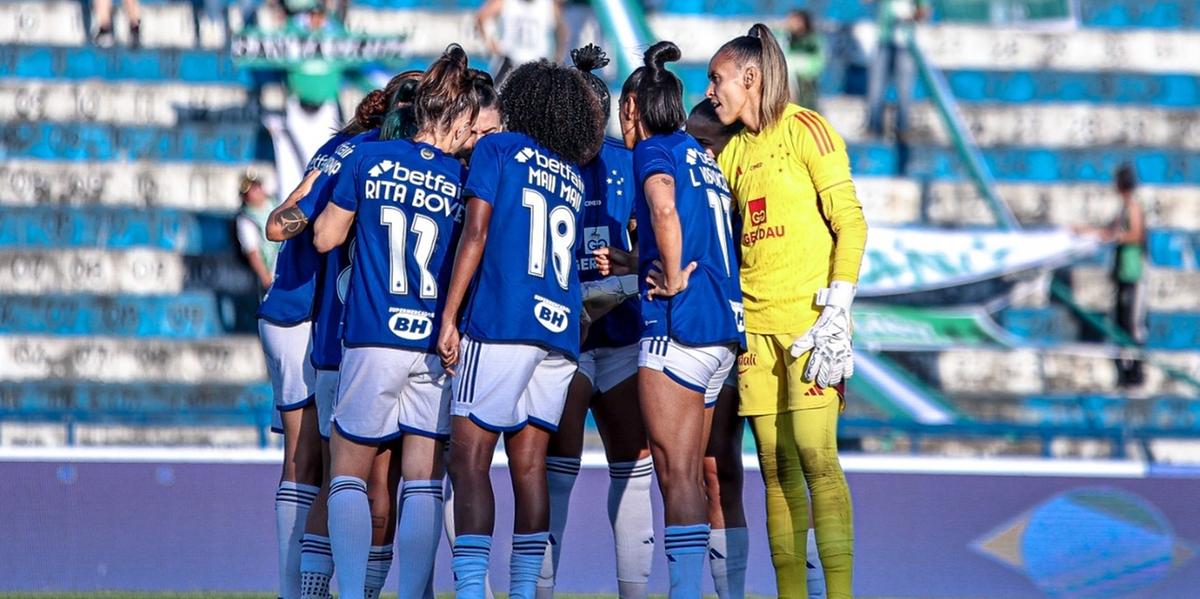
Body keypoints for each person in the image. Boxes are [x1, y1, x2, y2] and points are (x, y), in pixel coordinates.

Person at [311, 45, 482, 599]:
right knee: (423, 483)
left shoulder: (367, 159)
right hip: (434, 343)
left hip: (372, 335)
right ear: (452, 118)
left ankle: (357, 591)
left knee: (347, 473)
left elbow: (324, 237)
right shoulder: (462, 179)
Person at [707, 23, 867, 599]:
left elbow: (851, 221)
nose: (711, 92)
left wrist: (838, 308)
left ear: (751, 78)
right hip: (756, 332)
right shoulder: (730, 153)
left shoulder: (809, 130)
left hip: (809, 328)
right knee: (774, 469)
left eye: (718, 79)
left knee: (817, 455)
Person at [436, 59, 604, 599]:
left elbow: (477, 233)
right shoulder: (572, 174)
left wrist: (449, 314)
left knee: (468, 458)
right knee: (529, 468)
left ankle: (468, 591)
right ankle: (526, 592)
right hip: (558, 335)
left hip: (503, 320)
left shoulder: (497, 149)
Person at [265, 71, 430, 599]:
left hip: (302, 314)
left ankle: (311, 589)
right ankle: (309, 591)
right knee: (341, 466)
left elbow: (284, 217)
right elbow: (314, 231)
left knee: (323, 463)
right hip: (326, 322)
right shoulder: (372, 155)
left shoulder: (342, 147)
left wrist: (287, 215)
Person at [617, 41, 745, 599]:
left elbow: (663, 206)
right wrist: (636, 261)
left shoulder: (653, 150)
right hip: (722, 330)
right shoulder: (701, 155)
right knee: (694, 473)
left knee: (674, 474)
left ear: (632, 109)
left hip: (679, 325)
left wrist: (668, 275)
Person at [536, 44, 652, 599]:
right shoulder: (536, 165)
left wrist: (610, 291)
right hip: (562, 343)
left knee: (633, 465)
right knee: (556, 469)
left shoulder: (628, 161)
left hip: (621, 335)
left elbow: (655, 257)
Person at [865, 0, 929, 140]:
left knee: (905, 90)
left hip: (905, 43)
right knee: (875, 89)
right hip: (884, 40)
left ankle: (903, 129)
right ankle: (874, 130)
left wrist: (909, 16)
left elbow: (924, 12)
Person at [1108, 164, 1147, 388]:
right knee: (1121, 324)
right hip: (1123, 274)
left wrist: (1118, 237)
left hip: (1134, 274)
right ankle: (1124, 371)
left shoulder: (1133, 207)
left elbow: (1135, 234)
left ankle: (1136, 371)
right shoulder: (1123, 208)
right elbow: (1109, 231)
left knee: (1133, 324)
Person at [474, 0, 568, 84]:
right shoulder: (506, 2)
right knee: (498, 95)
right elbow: (482, 16)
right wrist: (490, 41)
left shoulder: (549, 4)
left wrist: (558, 55)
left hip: (538, 65)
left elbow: (561, 30)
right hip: (509, 61)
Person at [236, 172, 279, 292]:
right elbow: (252, 252)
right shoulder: (246, 219)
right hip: (273, 271)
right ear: (245, 197)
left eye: (257, 186)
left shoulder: (277, 202)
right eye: (251, 189)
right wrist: (266, 279)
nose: (257, 190)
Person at [784, 10, 825, 111]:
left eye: (794, 21)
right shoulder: (790, 38)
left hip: (807, 77)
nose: (790, 24)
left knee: (808, 103)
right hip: (796, 78)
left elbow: (818, 60)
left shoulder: (812, 39)